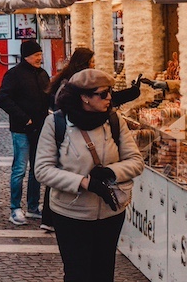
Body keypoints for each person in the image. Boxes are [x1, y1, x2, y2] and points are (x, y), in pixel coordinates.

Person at [34, 69, 144, 282]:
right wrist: (83, 182)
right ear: (84, 97)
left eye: (110, 92)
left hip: (110, 213)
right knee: (77, 274)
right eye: (103, 94)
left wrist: (111, 172)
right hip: (70, 214)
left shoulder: (114, 120)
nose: (109, 98)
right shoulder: (56, 123)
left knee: (104, 273)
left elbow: (136, 161)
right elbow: (43, 170)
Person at [0, 39, 50, 225]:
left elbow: (48, 98)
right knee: (19, 168)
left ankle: (33, 206)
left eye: (40, 55)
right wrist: (23, 117)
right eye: (36, 55)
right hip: (21, 128)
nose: (39, 58)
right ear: (26, 56)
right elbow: (3, 98)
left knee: (37, 169)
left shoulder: (43, 74)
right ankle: (15, 208)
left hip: (40, 128)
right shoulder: (14, 75)